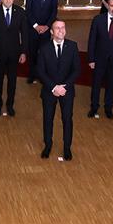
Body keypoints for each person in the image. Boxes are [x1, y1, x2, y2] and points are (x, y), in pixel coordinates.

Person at [37, 20, 78, 161]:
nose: (61, 30)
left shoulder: (72, 46)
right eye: (57, 28)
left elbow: (76, 70)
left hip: (67, 91)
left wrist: (63, 87)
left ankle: (67, 148)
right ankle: (48, 146)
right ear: (51, 32)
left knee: (67, 120)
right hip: (50, 91)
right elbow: (40, 71)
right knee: (48, 119)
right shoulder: (44, 48)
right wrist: (54, 87)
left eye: (63, 28)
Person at [25, 0, 59, 84]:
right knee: (33, 52)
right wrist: (36, 26)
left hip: (46, 28)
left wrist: (46, 26)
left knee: (44, 53)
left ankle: (43, 77)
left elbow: (54, 11)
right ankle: (32, 75)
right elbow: (28, 10)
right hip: (33, 28)